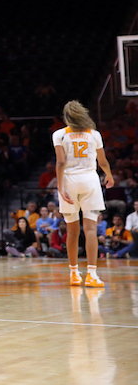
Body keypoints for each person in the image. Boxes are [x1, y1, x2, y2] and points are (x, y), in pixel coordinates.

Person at [53, 100, 112, 287]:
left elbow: (60, 163)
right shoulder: (94, 134)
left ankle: (74, 273)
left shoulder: (59, 134)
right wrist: (109, 175)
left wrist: (60, 187)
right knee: (91, 230)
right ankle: (92, 275)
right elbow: (102, 162)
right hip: (89, 180)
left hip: (69, 180)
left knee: (72, 230)